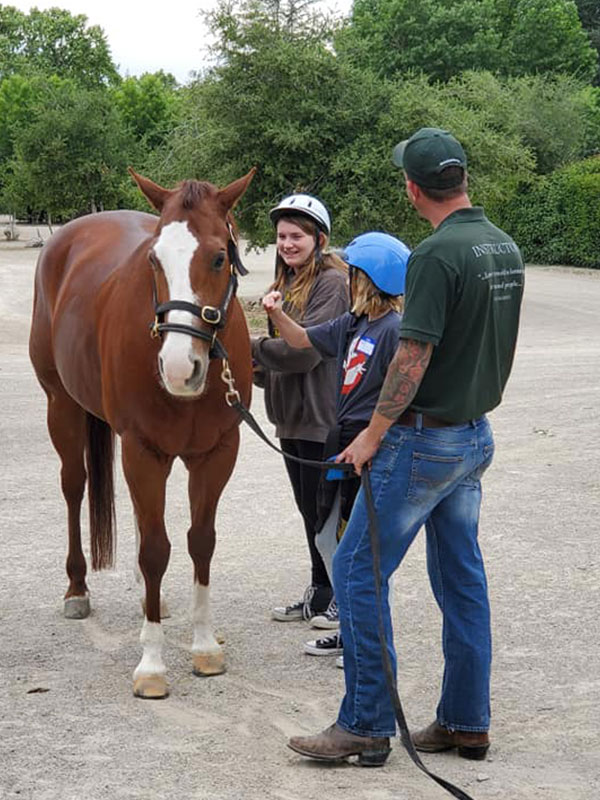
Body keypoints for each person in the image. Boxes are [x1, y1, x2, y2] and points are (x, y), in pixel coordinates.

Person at [287, 127, 524, 766]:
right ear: (464, 177)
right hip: (474, 438)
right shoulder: (503, 247)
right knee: (462, 581)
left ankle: (364, 724)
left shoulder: (435, 255)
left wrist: (370, 434)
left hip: (422, 444)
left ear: (413, 188)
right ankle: (466, 721)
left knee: (356, 576)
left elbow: (412, 355)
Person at [261, 232, 411, 659]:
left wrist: (372, 441)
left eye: (352, 272)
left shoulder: (394, 330)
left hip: (367, 446)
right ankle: (351, 627)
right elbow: (302, 340)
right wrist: (277, 313)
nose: (345, 278)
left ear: (366, 279)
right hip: (340, 439)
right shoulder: (355, 323)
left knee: (360, 547)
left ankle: (362, 639)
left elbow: (399, 396)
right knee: (330, 536)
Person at [252, 193, 349, 623]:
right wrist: (250, 368)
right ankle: (321, 591)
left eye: (297, 236)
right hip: (292, 417)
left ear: (319, 239)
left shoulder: (332, 282)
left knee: (327, 515)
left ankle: (341, 599)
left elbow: (306, 352)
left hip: (321, 417)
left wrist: (248, 348)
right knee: (310, 512)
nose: (287, 244)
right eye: (281, 236)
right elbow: (277, 361)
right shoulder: (287, 281)